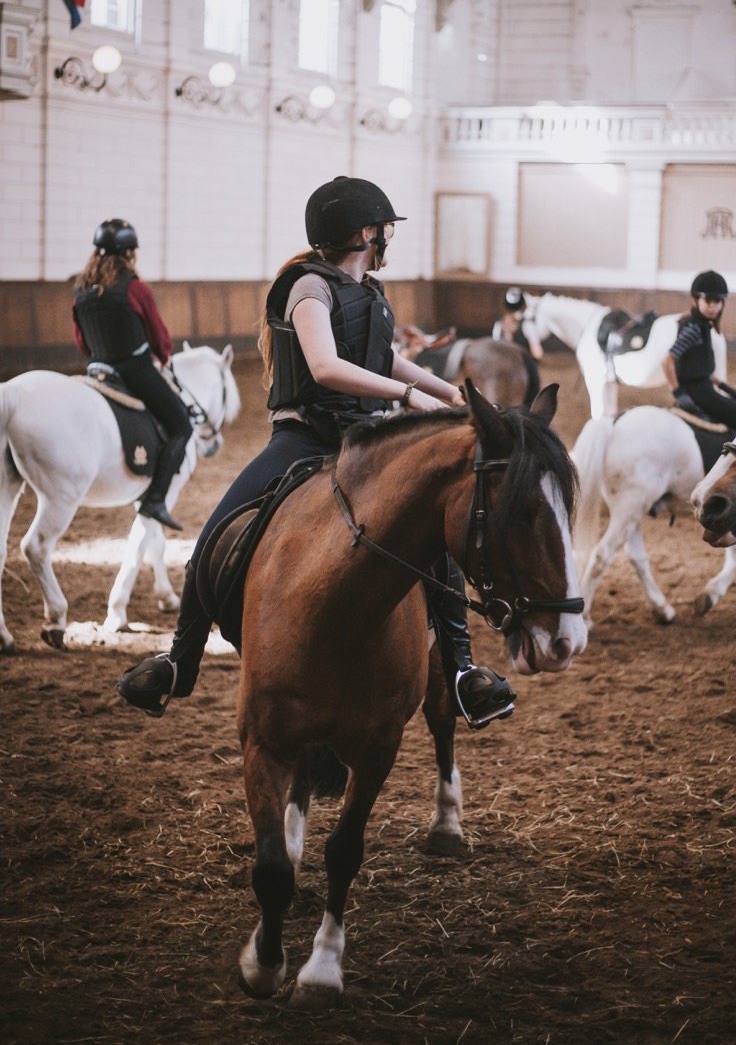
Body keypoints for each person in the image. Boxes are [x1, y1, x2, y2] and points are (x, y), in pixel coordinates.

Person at [116, 176, 516, 728]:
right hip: (305, 436)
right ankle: (178, 663)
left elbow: (384, 360)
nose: (387, 240)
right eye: (383, 230)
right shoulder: (308, 288)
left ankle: (463, 671)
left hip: (368, 439)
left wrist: (448, 391)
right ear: (363, 233)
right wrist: (406, 396)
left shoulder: (371, 296)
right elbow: (326, 367)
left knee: (435, 540)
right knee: (216, 532)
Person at [72, 219, 192, 531]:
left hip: (97, 370)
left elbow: (81, 341)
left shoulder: (82, 290)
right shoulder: (134, 288)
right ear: (129, 254)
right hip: (134, 370)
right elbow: (158, 335)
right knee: (181, 424)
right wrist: (163, 356)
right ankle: (154, 499)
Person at [661, 270, 736, 430]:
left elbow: (704, 373)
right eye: (708, 301)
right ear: (694, 301)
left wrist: (730, 390)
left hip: (705, 390)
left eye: (718, 301)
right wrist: (678, 394)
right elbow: (666, 362)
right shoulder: (693, 329)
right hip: (697, 394)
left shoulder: (704, 326)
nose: (714, 306)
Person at [492, 286, 543, 406]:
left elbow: (494, 350)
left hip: (501, 370)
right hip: (523, 370)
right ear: (523, 306)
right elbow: (538, 353)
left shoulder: (498, 325)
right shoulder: (528, 324)